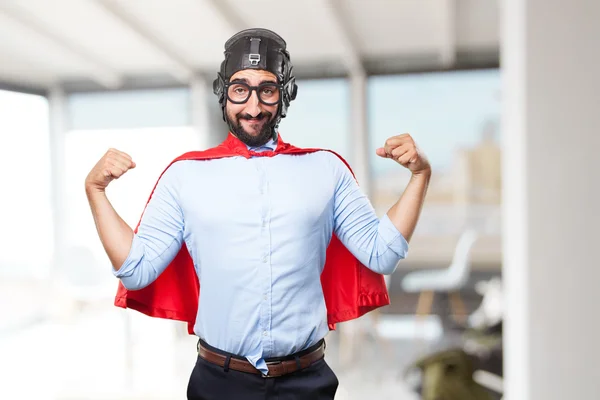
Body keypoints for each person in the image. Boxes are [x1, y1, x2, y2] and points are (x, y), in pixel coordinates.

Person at [84, 28, 431, 400]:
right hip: (218, 383)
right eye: (240, 89)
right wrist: (96, 191)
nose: (253, 107)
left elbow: (383, 254)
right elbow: (137, 271)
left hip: (307, 382)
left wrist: (420, 176)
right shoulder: (184, 176)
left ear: (285, 94)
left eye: (266, 90)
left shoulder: (326, 170)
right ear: (223, 93)